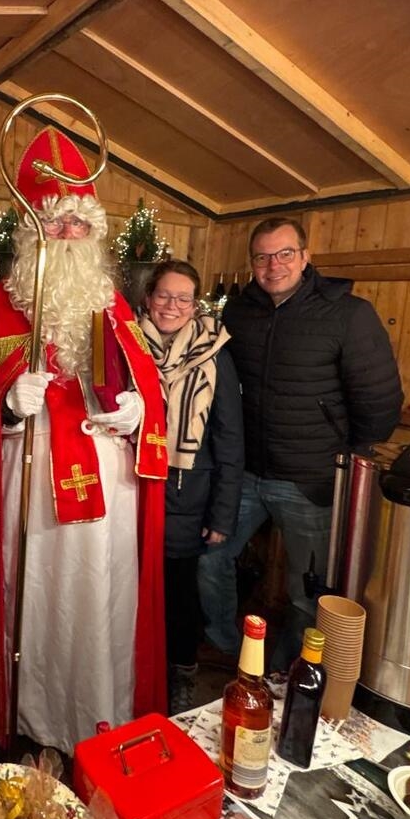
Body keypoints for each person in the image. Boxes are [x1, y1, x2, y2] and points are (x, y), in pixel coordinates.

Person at [0, 127, 169, 759]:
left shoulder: (115, 306)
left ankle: (100, 716)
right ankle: (35, 719)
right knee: (40, 597)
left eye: (81, 225)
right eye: (57, 225)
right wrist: (5, 408)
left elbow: (148, 391)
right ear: (32, 234)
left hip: (113, 487)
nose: (70, 237)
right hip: (32, 480)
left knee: (102, 599)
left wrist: (139, 412)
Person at [208, 216, 403, 666]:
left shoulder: (348, 314)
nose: (273, 265)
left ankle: (283, 672)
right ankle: (222, 646)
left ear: (306, 257)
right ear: (252, 263)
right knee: (210, 558)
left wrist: (351, 455)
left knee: (306, 590)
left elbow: (380, 396)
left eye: (285, 254)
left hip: (310, 479)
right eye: (262, 257)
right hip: (243, 474)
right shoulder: (238, 313)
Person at [139, 261, 244, 713]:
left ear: (195, 304)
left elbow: (230, 437)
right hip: (133, 490)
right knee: (132, 591)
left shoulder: (214, 353)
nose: (172, 306)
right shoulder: (129, 345)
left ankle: (181, 673)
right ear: (148, 298)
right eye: (164, 295)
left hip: (186, 496)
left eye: (183, 298)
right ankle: (134, 673)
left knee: (179, 597)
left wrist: (222, 515)